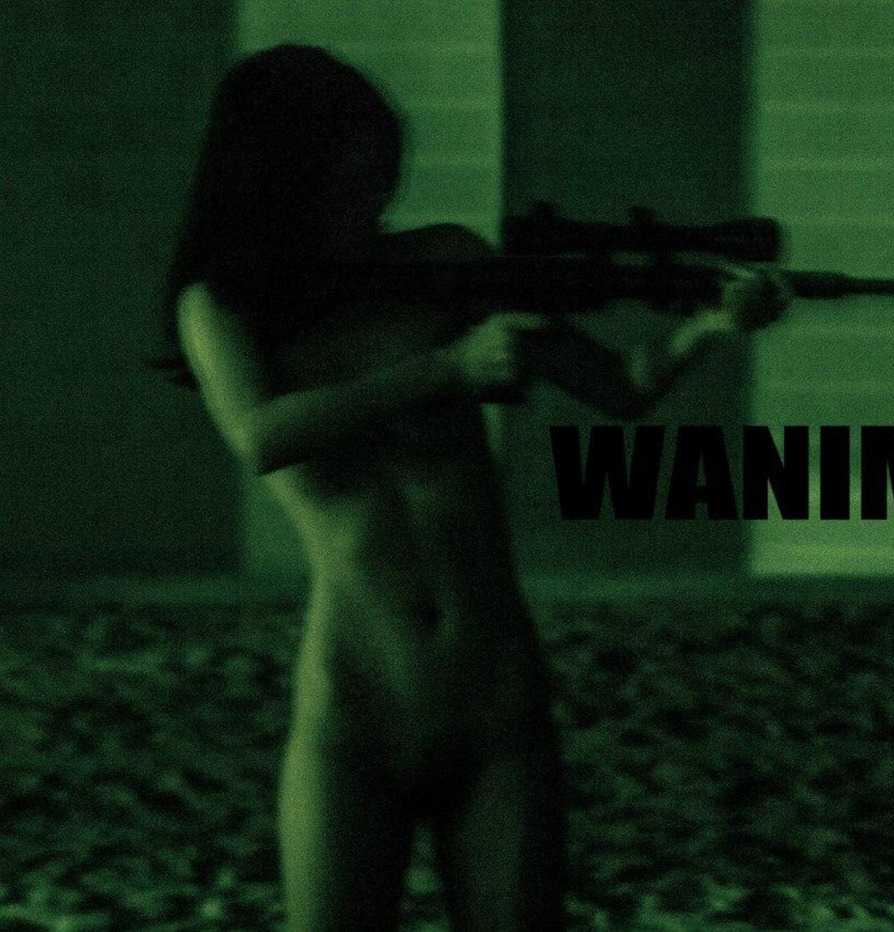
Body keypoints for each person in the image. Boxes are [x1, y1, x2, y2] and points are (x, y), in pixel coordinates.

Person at [154, 44, 789, 932]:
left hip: (495, 702)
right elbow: (265, 435)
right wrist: (448, 369)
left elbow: (622, 388)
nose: (371, 208)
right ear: (279, 183)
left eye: (380, 184)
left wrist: (712, 326)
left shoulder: (447, 265)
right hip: (354, 708)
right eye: (345, 189)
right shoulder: (220, 307)